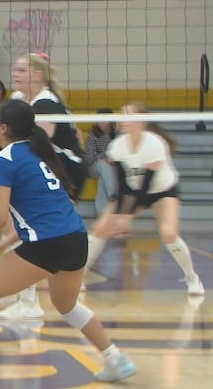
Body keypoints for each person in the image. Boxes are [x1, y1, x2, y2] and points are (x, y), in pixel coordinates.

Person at [0, 99, 134, 387]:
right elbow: (43, 214)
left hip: (48, 243)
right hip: (75, 239)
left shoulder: (2, 161)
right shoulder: (36, 152)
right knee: (67, 306)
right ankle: (115, 359)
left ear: (4, 128)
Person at [0, 52, 86, 319]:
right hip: (43, 170)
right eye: (15, 69)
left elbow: (36, 143)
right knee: (15, 228)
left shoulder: (47, 103)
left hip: (65, 173)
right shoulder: (18, 99)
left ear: (37, 75)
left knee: (31, 232)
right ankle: (26, 297)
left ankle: (30, 301)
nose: (15, 74)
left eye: (22, 70)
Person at [85, 102, 204, 296]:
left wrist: (127, 216)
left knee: (168, 233)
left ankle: (192, 278)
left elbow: (147, 184)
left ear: (140, 121)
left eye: (128, 116)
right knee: (100, 228)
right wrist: (121, 214)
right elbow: (122, 185)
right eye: (121, 115)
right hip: (133, 190)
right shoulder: (117, 146)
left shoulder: (154, 143)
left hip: (162, 191)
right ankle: (78, 278)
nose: (122, 120)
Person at [84, 109, 118, 212]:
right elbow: (90, 158)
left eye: (103, 120)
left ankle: (102, 213)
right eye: (98, 120)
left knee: (104, 177)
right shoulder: (92, 135)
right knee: (102, 164)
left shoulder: (116, 134)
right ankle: (113, 194)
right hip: (94, 168)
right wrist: (105, 158)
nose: (100, 123)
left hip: (112, 168)